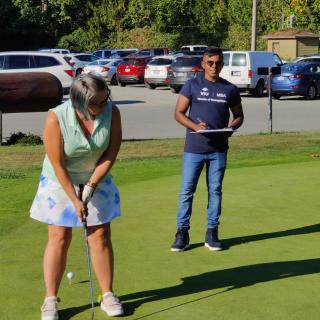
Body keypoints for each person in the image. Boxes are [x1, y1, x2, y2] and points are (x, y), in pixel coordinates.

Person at [30, 73, 124, 319]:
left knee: (100, 235)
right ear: (80, 103)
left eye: (106, 99)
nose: (104, 106)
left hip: (96, 176)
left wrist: (91, 186)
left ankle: (107, 294)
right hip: (60, 181)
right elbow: (58, 164)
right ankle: (50, 299)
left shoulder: (112, 113)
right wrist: (74, 199)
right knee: (59, 236)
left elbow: (110, 153)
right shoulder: (56, 117)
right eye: (98, 103)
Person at [171, 47, 244, 252]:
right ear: (203, 64)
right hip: (194, 148)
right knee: (187, 191)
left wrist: (232, 126)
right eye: (210, 62)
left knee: (215, 191)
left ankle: (212, 232)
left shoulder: (229, 88)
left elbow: (239, 115)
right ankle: (182, 233)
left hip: (218, 149)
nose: (214, 66)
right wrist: (195, 127)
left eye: (218, 63)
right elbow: (178, 113)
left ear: (222, 64)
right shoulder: (192, 85)